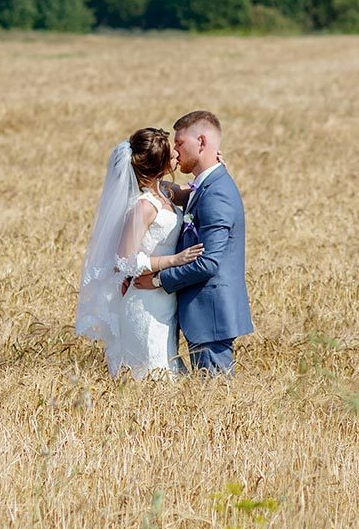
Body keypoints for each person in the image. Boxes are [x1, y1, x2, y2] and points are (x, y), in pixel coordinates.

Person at [73, 127, 203, 378]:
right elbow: (124, 261)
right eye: (171, 151)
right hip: (143, 301)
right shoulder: (143, 206)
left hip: (163, 297)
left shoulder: (164, 192)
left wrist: (215, 169)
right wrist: (173, 261)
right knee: (152, 372)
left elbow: (197, 191)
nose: (177, 153)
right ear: (161, 163)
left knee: (167, 370)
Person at [131, 110, 253, 376]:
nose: (174, 152)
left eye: (179, 143)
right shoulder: (207, 186)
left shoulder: (216, 194)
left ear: (201, 142)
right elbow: (171, 193)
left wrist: (158, 280)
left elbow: (208, 263)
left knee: (216, 396)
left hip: (211, 314)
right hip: (200, 313)